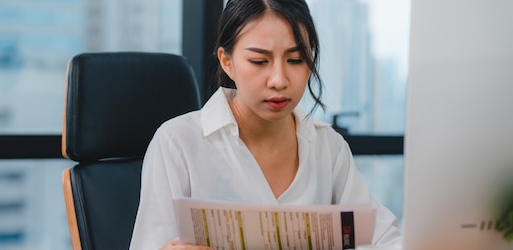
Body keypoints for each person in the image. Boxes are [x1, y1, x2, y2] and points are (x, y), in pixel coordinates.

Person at [129, 0, 402, 249]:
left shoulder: (327, 146)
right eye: (259, 61)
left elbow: (380, 237)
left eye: (296, 60)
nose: (279, 80)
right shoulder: (178, 143)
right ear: (228, 62)